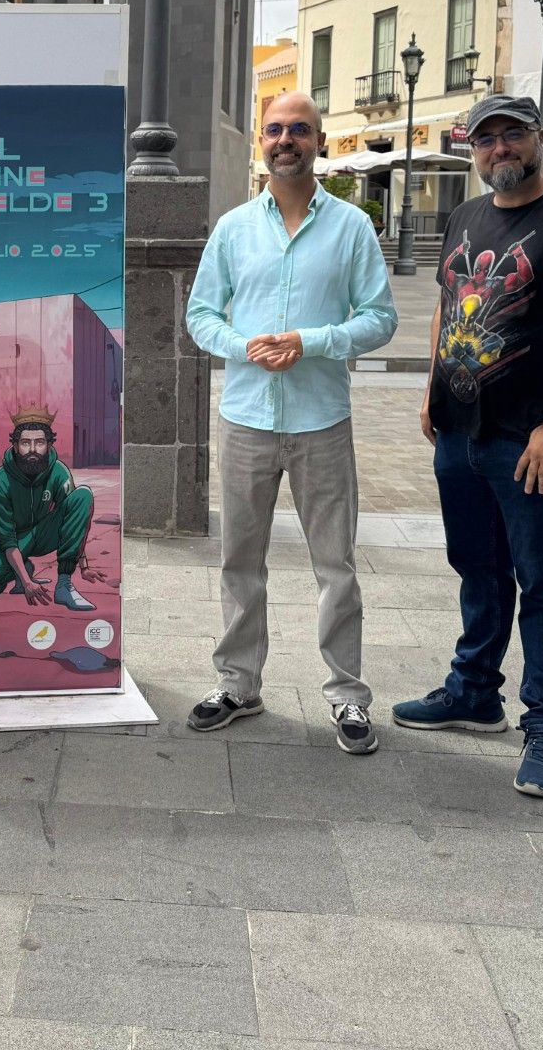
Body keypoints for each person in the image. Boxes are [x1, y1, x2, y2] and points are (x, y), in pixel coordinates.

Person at [393, 94, 543, 799]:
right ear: (472, 147)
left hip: (531, 438)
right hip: (461, 430)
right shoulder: (467, 216)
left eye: (513, 135)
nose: (500, 148)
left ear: (538, 140)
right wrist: (432, 387)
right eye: (487, 138)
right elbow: (447, 301)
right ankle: (474, 692)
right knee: (477, 567)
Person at [184, 90, 398, 752]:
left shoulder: (352, 227)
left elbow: (380, 317)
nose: (286, 140)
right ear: (261, 142)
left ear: (318, 141)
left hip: (320, 421)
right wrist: (242, 345)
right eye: (275, 129)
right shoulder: (233, 228)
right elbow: (199, 316)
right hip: (247, 417)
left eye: (299, 129)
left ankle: (347, 695)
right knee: (239, 560)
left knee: (335, 563)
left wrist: (311, 341)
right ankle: (239, 684)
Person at [0, 406, 96, 612]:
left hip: (46, 533)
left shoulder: (59, 471)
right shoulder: (0, 480)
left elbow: (76, 518)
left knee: (83, 495)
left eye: (40, 442)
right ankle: (22, 570)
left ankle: (64, 585)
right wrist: (27, 583)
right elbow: (6, 538)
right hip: (17, 540)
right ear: (16, 446)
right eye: (26, 443)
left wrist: (84, 566)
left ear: (49, 445)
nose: (33, 449)